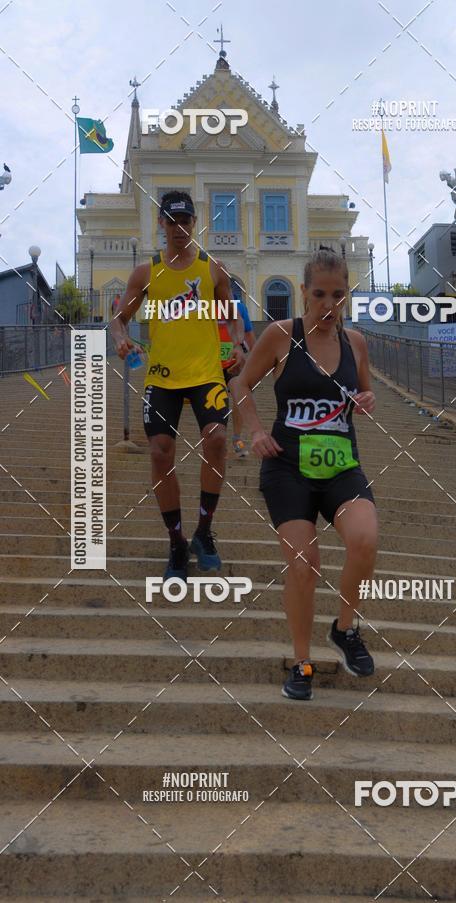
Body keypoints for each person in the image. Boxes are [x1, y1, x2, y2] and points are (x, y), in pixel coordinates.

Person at [232, 247, 377, 700]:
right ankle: (300, 662)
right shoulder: (281, 336)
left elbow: (365, 391)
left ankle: (344, 628)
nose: (329, 305)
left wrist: (365, 402)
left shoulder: (356, 342)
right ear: (303, 293)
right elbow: (239, 384)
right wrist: (254, 430)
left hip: (340, 466)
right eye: (319, 294)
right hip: (288, 467)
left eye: (338, 295)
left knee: (365, 539)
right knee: (304, 564)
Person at [110, 190, 245, 580]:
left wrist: (236, 341)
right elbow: (119, 319)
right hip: (163, 378)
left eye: (186, 221)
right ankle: (176, 543)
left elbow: (233, 315)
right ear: (162, 224)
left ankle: (203, 532)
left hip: (206, 374)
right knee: (160, 451)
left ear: (194, 222)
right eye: (173, 222)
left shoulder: (212, 269)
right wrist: (121, 338)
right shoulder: (146, 273)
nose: (180, 229)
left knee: (218, 439)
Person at [219, 298, 256, 458]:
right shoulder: (201, 304)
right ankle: (218, 440)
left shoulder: (238, 307)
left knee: (239, 397)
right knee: (216, 403)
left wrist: (255, 363)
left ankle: (237, 438)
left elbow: (249, 335)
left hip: (233, 362)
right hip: (209, 365)